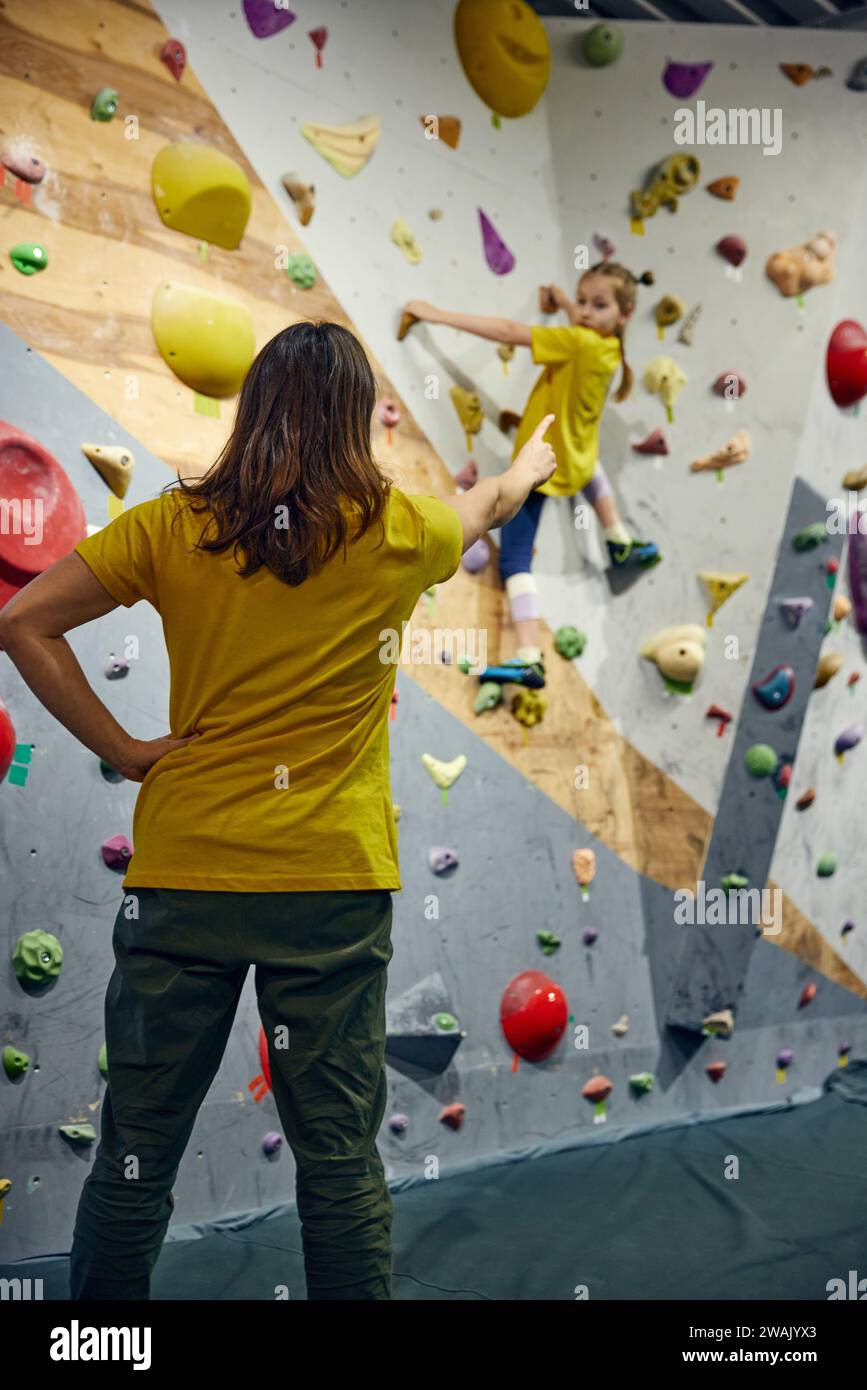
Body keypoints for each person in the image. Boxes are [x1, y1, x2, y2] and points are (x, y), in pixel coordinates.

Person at [0, 320, 555, 1301]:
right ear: (355, 419)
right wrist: (530, 465)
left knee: (136, 1159)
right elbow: (489, 503)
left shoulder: (174, 526)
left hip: (186, 879)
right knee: (339, 1164)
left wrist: (124, 752)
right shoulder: (402, 533)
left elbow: (22, 620)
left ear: (255, 407)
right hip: (330, 889)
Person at [402, 263, 661, 688]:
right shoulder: (609, 349)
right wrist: (561, 300)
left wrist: (435, 314)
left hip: (545, 467)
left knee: (516, 558)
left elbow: (507, 332)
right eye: (583, 301)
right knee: (591, 464)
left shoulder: (577, 342)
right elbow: (582, 323)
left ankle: (529, 656)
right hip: (579, 459)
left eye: (599, 304)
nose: (585, 311)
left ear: (625, 313)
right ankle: (618, 540)